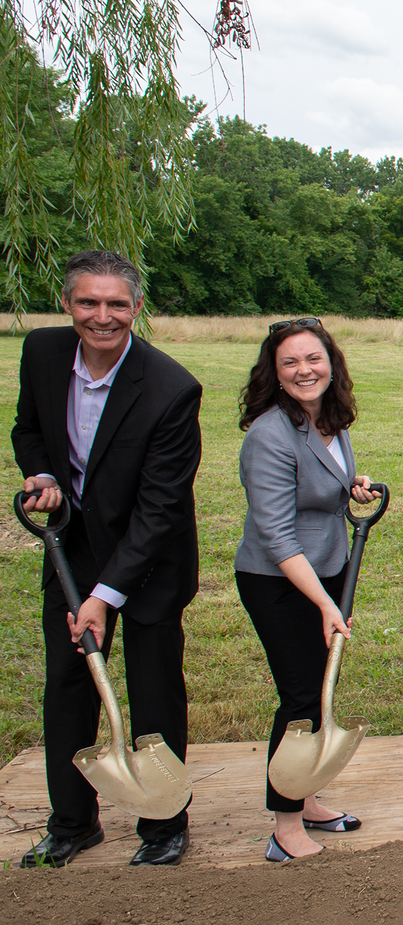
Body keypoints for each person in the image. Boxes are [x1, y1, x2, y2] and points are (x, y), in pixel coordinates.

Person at [11, 250, 202, 868]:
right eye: (88, 302)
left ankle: (163, 823)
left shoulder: (171, 389)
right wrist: (43, 475)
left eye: (116, 303)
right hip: (72, 550)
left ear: (136, 308)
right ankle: (72, 823)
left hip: (149, 561)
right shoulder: (41, 353)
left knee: (153, 691)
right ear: (67, 303)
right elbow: (28, 429)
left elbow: (159, 510)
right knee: (67, 684)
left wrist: (104, 595)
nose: (102, 315)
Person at [235, 319, 379, 860]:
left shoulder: (330, 420)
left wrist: (353, 489)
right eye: (290, 363)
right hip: (279, 581)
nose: (304, 371)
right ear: (274, 373)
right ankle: (285, 826)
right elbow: (274, 533)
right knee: (299, 699)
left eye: (313, 359)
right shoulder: (268, 434)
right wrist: (322, 603)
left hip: (327, 568)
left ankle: (308, 797)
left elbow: (323, 487)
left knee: (321, 691)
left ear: (331, 363)